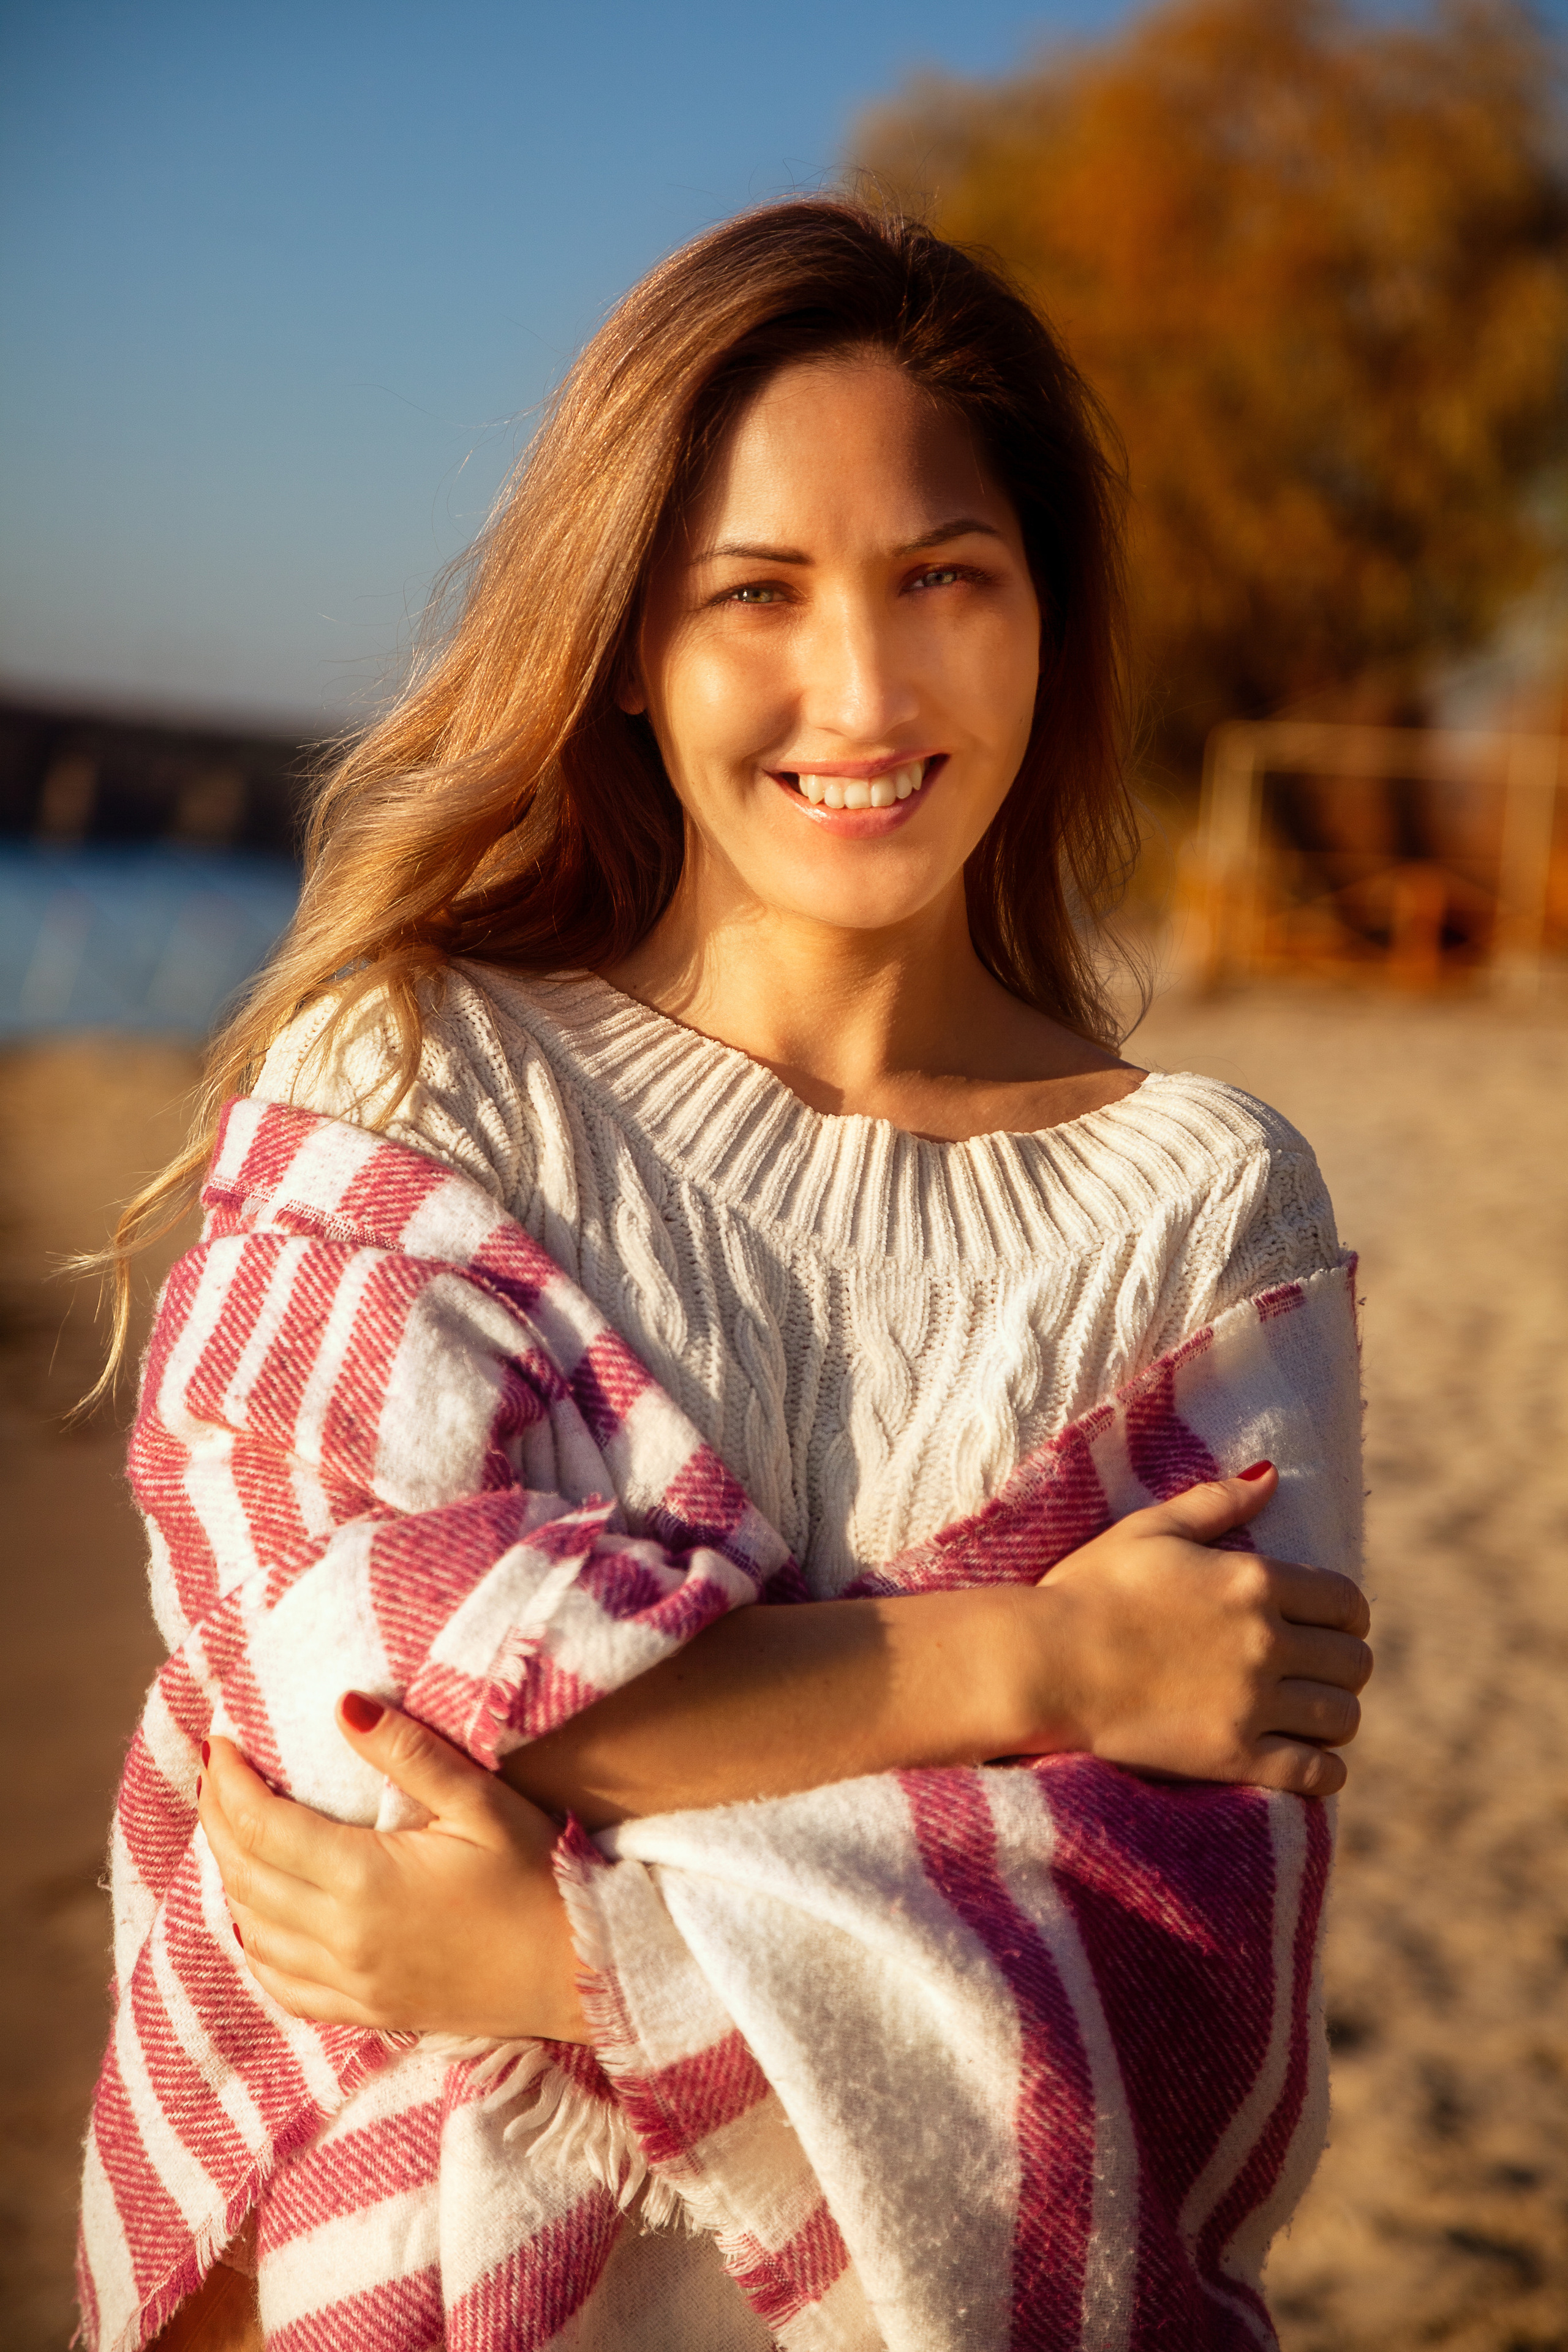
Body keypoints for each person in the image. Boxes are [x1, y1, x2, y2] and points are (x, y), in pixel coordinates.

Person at [89, 197, 1370, 2351]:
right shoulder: (417, 1079)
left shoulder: (1201, 1217)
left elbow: (1176, 1988)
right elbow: (340, 1706)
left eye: (943, 577)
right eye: (754, 592)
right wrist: (1040, 1664)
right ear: (627, 643)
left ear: (1047, 617)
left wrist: (560, 1961)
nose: (861, 690)